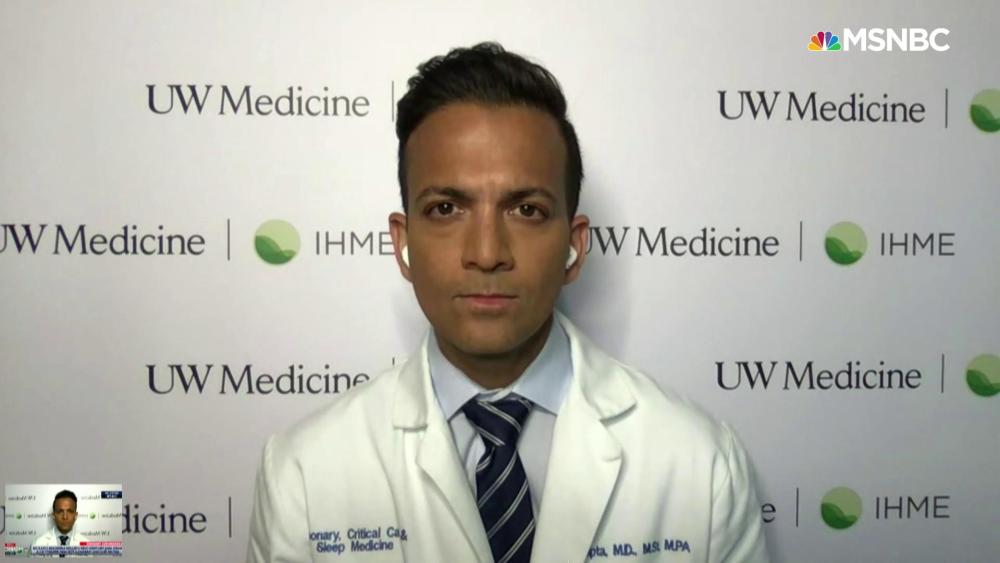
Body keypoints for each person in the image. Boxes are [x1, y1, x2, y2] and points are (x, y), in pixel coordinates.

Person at [247, 42, 769, 563]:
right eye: (446, 208)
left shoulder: (700, 465)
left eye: (526, 210)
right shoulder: (304, 475)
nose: (487, 253)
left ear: (574, 247)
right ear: (403, 244)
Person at [32, 490, 89, 557]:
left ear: (76, 516)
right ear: (53, 515)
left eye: (70, 511)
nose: (65, 517)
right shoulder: (38, 544)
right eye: (60, 512)